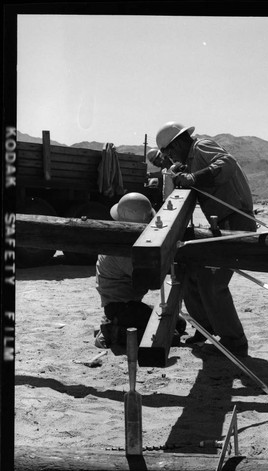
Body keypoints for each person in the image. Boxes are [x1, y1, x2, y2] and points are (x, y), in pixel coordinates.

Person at [156, 121, 256, 357]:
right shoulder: (190, 158)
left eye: (170, 151)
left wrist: (193, 178)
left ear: (180, 141)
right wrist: (181, 174)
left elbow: (227, 163)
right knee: (192, 275)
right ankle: (206, 328)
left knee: (213, 283)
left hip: (236, 222)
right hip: (222, 223)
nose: (170, 157)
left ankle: (235, 342)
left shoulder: (202, 146)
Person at [95, 192, 186, 348]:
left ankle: (117, 325)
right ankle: (111, 331)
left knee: (179, 323)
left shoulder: (124, 240)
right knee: (171, 335)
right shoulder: (123, 250)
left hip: (129, 304)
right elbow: (147, 281)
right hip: (120, 307)